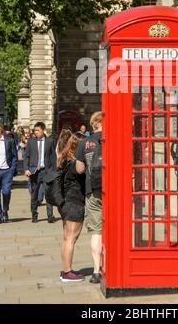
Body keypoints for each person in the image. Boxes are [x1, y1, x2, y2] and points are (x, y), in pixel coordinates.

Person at [76, 111, 102, 284]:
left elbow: (79, 169)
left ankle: (96, 270)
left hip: (92, 190)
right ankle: (111, 266)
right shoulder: (115, 139)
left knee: (96, 231)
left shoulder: (84, 142)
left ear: (93, 125)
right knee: (114, 229)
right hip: (113, 189)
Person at [57, 134, 86, 282]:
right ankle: (67, 273)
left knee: (66, 238)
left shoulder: (65, 160)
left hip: (66, 202)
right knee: (71, 238)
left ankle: (65, 270)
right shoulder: (76, 164)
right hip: (75, 202)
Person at [23, 121, 56, 223]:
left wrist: (53, 171)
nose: (36, 132)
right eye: (35, 130)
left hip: (46, 171)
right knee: (34, 195)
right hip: (34, 172)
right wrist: (26, 169)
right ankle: (34, 214)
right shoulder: (31, 141)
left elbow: (53, 157)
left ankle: (50, 215)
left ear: (43, 130)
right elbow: (26, 157)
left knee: (48, 194)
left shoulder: (50, 141)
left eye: (38, 130)